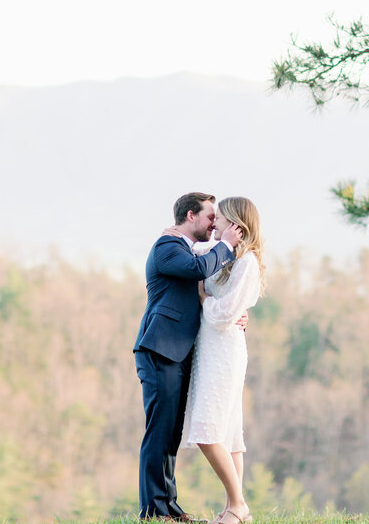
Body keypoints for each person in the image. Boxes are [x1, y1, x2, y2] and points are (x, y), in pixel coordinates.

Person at [134, 192, 243, 521]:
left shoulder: (187, 247)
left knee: (171, 434)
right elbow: (198, 268)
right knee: (159, 431)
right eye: (210, 217)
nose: (215, 224)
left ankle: (169, 506)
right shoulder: (167, 246)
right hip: (159, 350)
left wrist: (235, 312)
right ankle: (153, 510)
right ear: (191, 215)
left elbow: (202, 288)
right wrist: (225, 244)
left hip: (179, 353)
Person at [182, 197, 264, 524]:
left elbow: (224, 315)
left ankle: (239, 504)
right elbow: (194, 252)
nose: (214, 223)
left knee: (209, 431)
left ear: (238, 227)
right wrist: (176, 233)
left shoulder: (247, 264)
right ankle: (233, 509)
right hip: (211, 350)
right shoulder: (227, 257)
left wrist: (204, 298)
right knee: (228, 433)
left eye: (221, 219)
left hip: (225, 351)